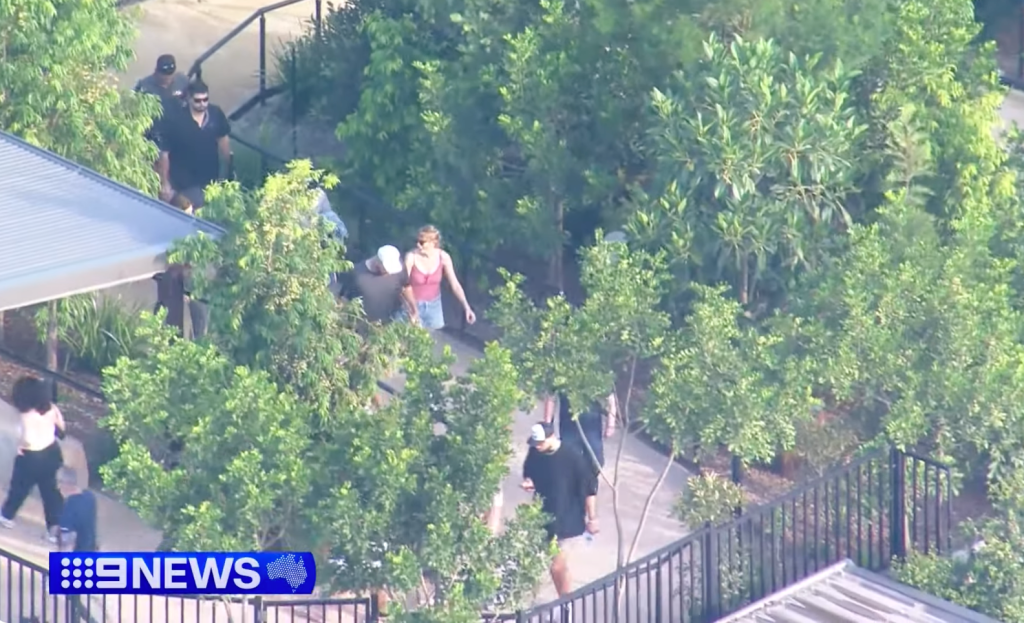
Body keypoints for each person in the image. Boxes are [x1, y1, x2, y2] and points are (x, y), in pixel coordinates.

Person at [521, 421, 598, 598]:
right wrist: (529, 481)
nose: (538, 447)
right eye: (535, 443)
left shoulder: (572, 456)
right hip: (544, 517)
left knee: (557, 565)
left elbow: (589, 488)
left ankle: (565, 603)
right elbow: (529, 470)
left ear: (551, 437)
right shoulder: (535, 452)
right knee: (554, 567)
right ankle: (563, 600)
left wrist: (592, 518)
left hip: (568, 519)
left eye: (541, 442)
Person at [0, 376, 65, 540]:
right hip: (51, 454)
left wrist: (19, 446)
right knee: (50, 493)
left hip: (30, 458)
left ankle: (7, 515)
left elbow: (27, 439)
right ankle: (54, 529)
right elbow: (62, 428)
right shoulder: (52, 409)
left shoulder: (26, 416)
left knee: (19, 487)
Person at [155, 80, 231, 206]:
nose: (202, 104)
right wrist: (165, 182)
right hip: (183, 182)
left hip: (210, 177)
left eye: (205, 99)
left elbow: (223, 140)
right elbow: (164, 154)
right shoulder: (176, 120)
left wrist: (230, 165)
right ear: (189, 99)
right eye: (197, 100)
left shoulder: (215, 114)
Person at [396, 225, 476, 330]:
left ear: (433, 243)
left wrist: (467, 307)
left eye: (422, 242)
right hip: (411, 304)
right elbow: (403, 285)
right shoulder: (411, 257)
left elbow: (455, 285)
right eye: (417, 241)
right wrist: (412, 309)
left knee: (428, 342)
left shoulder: (443, 257)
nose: (418, 245)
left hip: (433, 306)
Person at [544, 392, 618, 490]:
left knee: (596, 461)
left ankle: (585, 482)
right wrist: (547, 424)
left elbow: (611, 400)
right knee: (567, 459)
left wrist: (611, 424)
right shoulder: (562, 377)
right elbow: (551, 397)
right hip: (568, 427)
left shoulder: (599, 376)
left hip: (592, 428)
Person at [340, 245, 419, 324]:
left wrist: (413, 309)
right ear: (378, 261)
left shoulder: (400, 270)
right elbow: (344, 298)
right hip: (361, 324)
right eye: (386, 269)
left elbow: (406, 287)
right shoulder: (357, 273)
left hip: (390, 323)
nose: (389, 273)